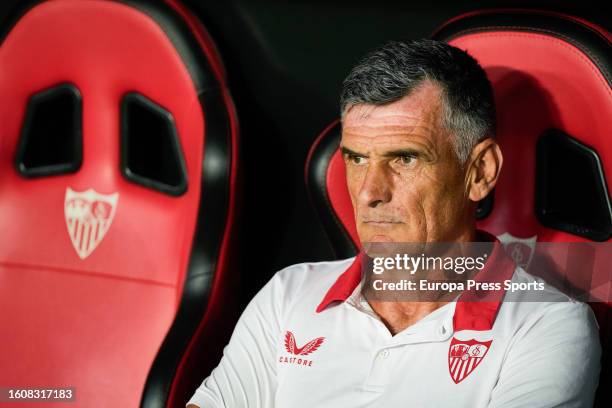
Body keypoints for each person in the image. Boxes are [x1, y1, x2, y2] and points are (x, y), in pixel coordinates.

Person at [187, 39, 601, 407]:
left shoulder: (547, 326)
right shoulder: (287, 294)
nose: (369, 193)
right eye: (356, 158)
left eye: (404, 158)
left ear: (479, 172)